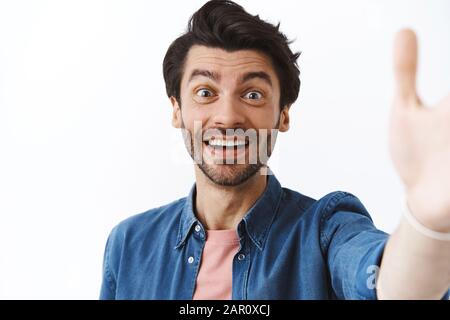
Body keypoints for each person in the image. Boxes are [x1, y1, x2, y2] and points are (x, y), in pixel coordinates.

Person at [100, 0, 450, 300]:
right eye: (205, 92)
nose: (227, 117)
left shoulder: (325, 230)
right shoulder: (129, 245)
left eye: (252, 94)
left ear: (283, 114)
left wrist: (427, 224)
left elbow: (388, 284)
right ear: (177, 109)